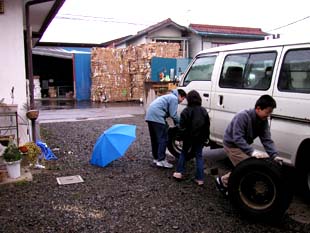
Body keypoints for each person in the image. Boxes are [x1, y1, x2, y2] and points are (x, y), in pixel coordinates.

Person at [215, 94, 278, 195]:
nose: (269, 115)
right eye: (267, 112)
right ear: (258, 108)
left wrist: (274, 155)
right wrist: (252, 152)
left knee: (249, 167)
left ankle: (228, 183)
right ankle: (223, 182)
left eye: (270, 112)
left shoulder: (263, 120)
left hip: (242, 146)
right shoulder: (243, 116)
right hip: (232, 145)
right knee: (248, 167)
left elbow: (266, 139)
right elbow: (237, 138)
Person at [172, 90, 210, 186]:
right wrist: (206, 138)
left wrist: (178, 138)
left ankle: (179, 173)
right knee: (199, 156)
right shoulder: (203, 111)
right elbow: (207, 126)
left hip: (188, 137)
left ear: (188, 99)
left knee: (184, 153)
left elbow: (182, 127)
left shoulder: (186, 111)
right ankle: (200, 179)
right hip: (200, 137)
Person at [145, 89, 187, 168]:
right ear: (180, 95)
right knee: (163, 139)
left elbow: (170, 114)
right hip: (157, 116)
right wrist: (180, 124)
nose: (182, 101)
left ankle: (156, 158)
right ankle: (161, 160)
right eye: (183, 98)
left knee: (154, 139)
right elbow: (173, 115)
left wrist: (174, 124)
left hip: (150, 116)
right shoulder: (174, 98)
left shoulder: (168, 96)